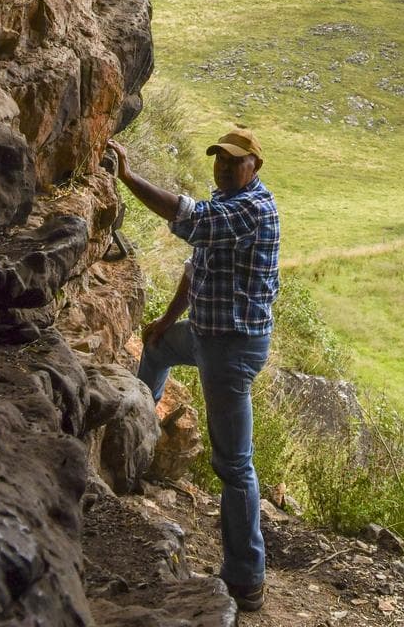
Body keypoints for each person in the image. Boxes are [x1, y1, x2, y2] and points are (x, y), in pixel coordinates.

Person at [106, 127, 279, 612]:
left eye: (235, 161)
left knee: (234, 464)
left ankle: (247, 579)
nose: (224, 168)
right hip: (205, 335)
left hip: (232, 349)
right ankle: (133, 449)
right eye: (219, 160)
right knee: (157, 350)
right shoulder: (228, 201)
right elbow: (195, 267)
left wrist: (128, 177)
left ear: (255, 167)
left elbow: (190, 218)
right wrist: (166, 320)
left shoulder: (251, 209)